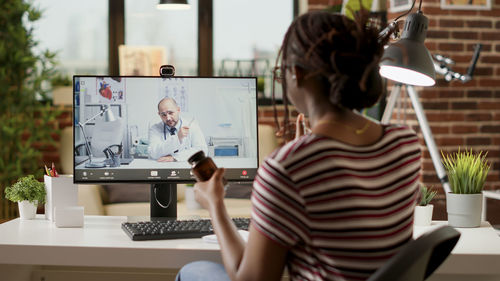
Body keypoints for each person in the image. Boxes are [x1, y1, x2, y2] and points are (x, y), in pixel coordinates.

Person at [176, 10, 421, 281]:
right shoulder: (405, 144)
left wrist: (215, 203)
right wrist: (304, 151)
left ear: (296, 74)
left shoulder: (287, 167)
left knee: (190, 272)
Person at [148, 97, 208, 162]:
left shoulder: (192, 126)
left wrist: (175, 158)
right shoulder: (155, 128)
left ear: (178, 110)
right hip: (163, 168)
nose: (168, 118)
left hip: (186, 168)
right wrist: (177, 138)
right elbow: (153, 153)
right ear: (159, 114)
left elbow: (202, 151)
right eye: (163, 115)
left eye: (170, 113)